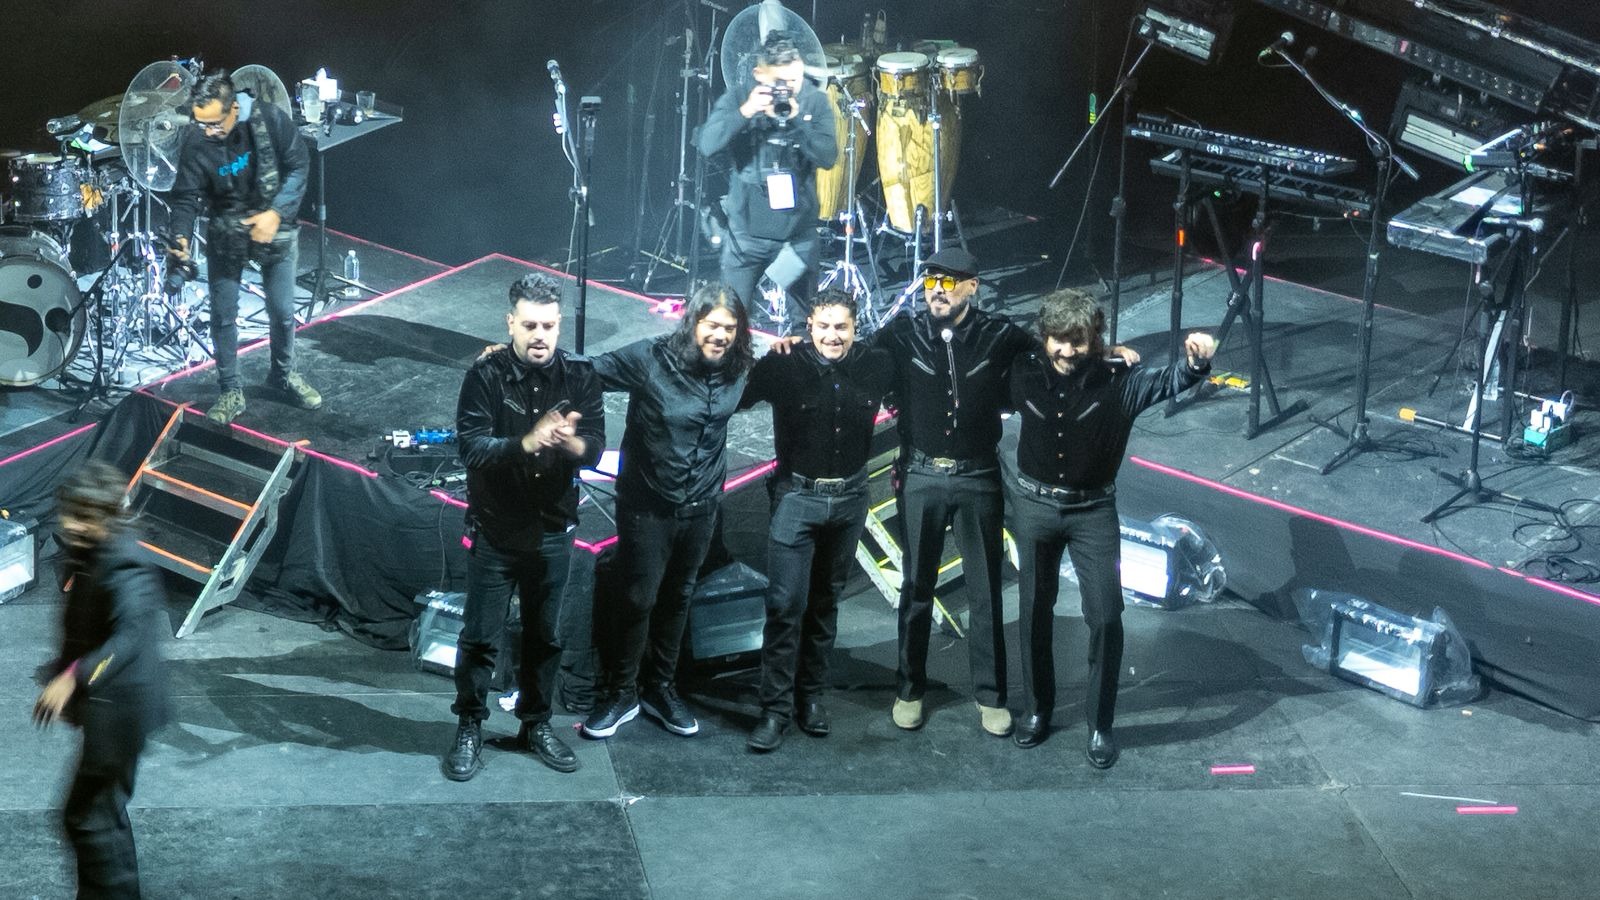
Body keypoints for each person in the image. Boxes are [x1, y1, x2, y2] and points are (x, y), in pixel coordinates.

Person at [1007, 288, 1215, 767]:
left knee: (1105, 617)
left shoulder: (1119, 381)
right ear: (1045, 337)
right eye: (1058, 340)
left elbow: (1169, 381)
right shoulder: (1023, 370)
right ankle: (1037, 710)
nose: (1066, 351)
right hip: (1034, 507)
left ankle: (1100, 725)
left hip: (1093, 512)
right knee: (1034, 612)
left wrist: (1196, 364)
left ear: (1094, 340)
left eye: (1078, 342)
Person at [869, 246, 1038, 738]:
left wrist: (1107, 353)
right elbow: (857, 360)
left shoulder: (999, 335)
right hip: (921, 474)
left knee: (985, 590)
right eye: (930, 281)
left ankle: (991, 695)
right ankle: (909, 690)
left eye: (947, 282)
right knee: (916, 587)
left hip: (978, 476)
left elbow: (1054, 353)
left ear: (972, 287)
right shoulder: (902, 333)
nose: (936, 291)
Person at [443, 273, 606, 780]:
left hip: (554, 528)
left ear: (560, 325)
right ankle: (470, 725)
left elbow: (595, 446)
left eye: (549, 326)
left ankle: (536, 725)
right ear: (510, 323)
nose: (540, 335)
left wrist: (572, 444)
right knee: (480, 637)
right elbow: (471, 448)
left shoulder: (579, 375)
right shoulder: (486, 375)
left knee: (545, 636)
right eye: (530, 325)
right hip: (497, 528)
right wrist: (527, 443)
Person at [580, 283, 756, 740]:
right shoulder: (651, 358)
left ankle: (659, 688)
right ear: (693, 322)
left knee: (679, 597)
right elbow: (586, 370)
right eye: (712, 325)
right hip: (647, 506)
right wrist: (516, 359)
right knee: (639, 598)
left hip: (702, 506)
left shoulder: (740, 367)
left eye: (730, 328)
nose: (720, 336)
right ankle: (621, 693)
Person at [738, 289, 892, 751]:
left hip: (850, 500)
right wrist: (761, 354)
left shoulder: (876, 364)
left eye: (841, 327)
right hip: (797, 499)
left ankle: (810, 698)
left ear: (855, 328)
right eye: (823, 326)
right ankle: (774, 710)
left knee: (826, 602)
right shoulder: (785, 365)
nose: (832, 336)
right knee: (785, 605)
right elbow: (735, 396)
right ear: (809, 327)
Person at [34, 461, 169, 899]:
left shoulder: (126, 563)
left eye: (83, 516)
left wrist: (73, 677)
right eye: (69, 513)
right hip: (113, 709)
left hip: (122, 712)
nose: (71, 525)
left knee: (89, 819)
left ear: (106, 516)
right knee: (102, 816)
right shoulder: (97, 548)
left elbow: (127, 638)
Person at [168, 70, 321, 425]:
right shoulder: (196, 139)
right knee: (223, 314)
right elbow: (185, 198)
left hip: (274, 225)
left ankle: (282, 375)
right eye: (201, 123)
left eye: (214, 124)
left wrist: (276, 213)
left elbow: (299, 165)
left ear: (234, 109)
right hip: (226, 229)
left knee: (283, 312)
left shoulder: (270, 120)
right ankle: (230, 390)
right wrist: (180, 238)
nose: (208, 132)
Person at [698, 31, 837, 334]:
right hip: (747, 237)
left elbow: (829, 156)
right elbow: (707, 144)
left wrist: (799, 123)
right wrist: (746, 112)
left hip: (796, 236)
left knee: (804, 328)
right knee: (731, 322)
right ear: (759, 74)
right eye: (780, 82)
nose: (788, 90)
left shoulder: (814, 100)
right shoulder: (740, 97)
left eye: (794, 81)